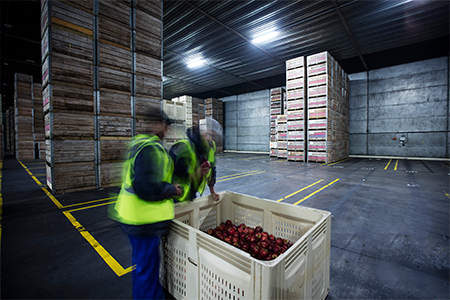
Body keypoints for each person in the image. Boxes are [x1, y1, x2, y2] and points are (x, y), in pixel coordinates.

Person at [109, 107, 182, 300]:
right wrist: (171, 190)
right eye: (165, 125)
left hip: (135, 218)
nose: (167, 130)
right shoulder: (150, 149)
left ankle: (150, 295)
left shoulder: (143, 144)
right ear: (157, 125)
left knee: (145, 266)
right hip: (142, 220)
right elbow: (145, 187)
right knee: (147, 269)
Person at [169, 118, 222, 202]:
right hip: (175, 196)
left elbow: (212, 169)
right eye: (207, 134)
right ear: (200, 132)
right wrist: (196, 174)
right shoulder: (183, 147)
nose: (209, 138)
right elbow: (171, 176)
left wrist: (212, 191)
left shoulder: (211, 147)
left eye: (212, 136)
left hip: (192, 193)